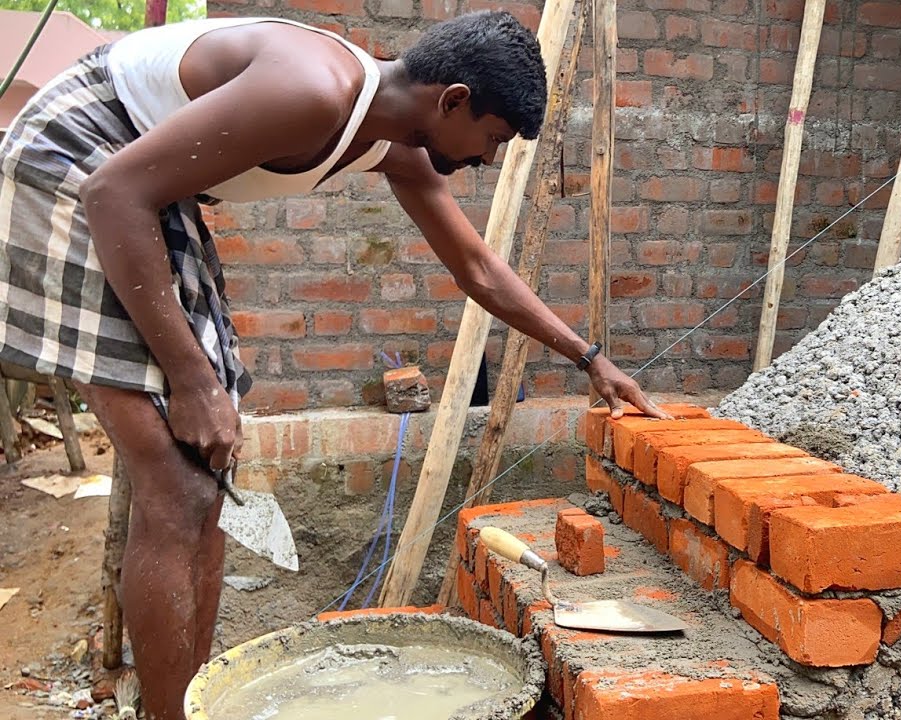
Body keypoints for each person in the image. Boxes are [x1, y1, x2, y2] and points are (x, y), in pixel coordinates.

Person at [0, 11, 668, 719]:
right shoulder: (312, 89)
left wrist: (589, 358)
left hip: (141, 190)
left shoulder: (394, 144)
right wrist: (194, 384)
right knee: (174, 483)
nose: (489, 159)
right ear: (453, 100)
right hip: (77, 166)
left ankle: (196, 701)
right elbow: (113, 193)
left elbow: (476, 267)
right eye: (494, 138)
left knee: (205, 478)